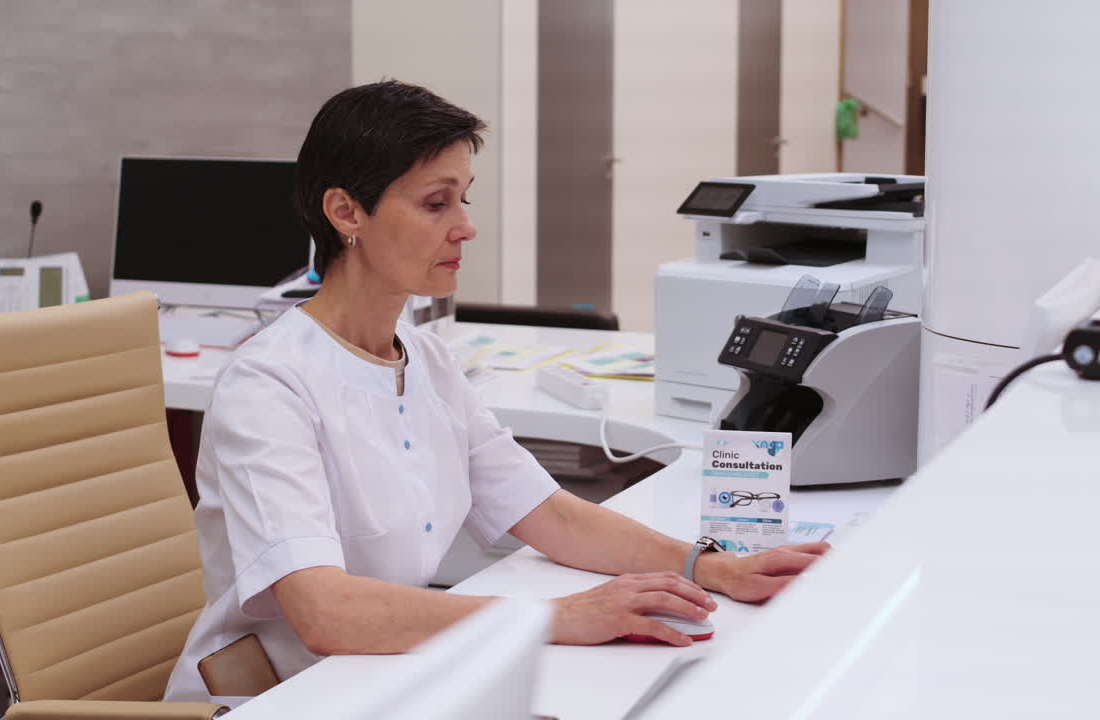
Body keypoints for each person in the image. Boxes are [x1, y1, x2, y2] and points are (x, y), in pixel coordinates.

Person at [164, 80, 828, 700]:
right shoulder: (269, 385)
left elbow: (550, 514)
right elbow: (326, 614)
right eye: (435, 202)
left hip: (389, 677)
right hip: (275, 698)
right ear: (346, 212)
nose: (465, 226)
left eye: (464, 197)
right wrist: (553, 616)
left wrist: (708, 566)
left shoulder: (425, 359)